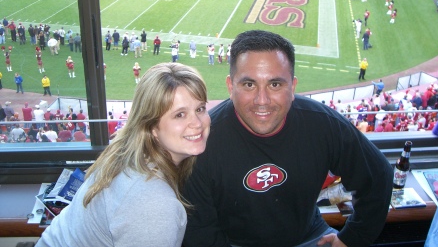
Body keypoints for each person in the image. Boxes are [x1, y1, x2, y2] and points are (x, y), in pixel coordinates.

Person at [182, 30, 393, 247]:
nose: (261, 100)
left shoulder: (323, 124)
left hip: (309, 237)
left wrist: (352, 238)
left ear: (292, 87)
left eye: (275, 84)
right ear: (230, 87)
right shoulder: (203, 142)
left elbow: (378, 175)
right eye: (249, 84)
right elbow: (200, 232)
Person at [37, 62, 211, 247]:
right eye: (180, 114)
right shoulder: (153, 205)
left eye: (200, 109)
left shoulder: (127, 151)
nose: (197, 123)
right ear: (151, 126)